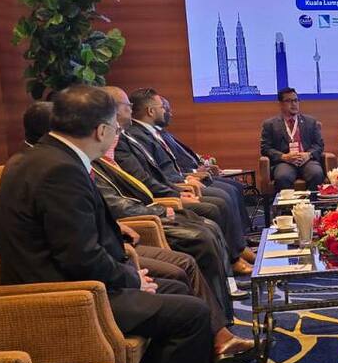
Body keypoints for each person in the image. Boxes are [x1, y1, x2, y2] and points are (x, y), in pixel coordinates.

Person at [0, 85, 219, 363]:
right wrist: (131, 279)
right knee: (191, 313)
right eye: (116, 127)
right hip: (64, 296)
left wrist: (126, 266)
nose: (117, 134)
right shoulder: (60, 171)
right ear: (101, 130)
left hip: (63, 281)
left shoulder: (40, 157)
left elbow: (74, 236)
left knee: (175, 287)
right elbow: (80, 257)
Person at [108, 87, 252, 275]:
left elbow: (154, 173)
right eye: (127, 105)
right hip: (154, 204)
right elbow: (143, 180)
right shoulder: (127, 138)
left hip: (164, 195)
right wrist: (178, 191)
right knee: (216, 206)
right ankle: (233, 258)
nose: (131, 109)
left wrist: (184, 182)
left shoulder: (129, 136)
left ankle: (237, 248)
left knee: (227, 194)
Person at [129, 87, 250, 240]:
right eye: (162, 107)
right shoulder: (137, 135)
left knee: (230, 190)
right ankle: (236, 249)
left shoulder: (152, 132)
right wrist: (184, 184)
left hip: (180, 182)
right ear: (151, 111)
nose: (165, 111)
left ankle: (240, 241)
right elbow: (156, 174)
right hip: (173, 188)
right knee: (222, 198)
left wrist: (187, 177)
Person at [157, 95, 251, 233]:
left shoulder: (164, 134)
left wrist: (201, 165)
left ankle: (243, 234)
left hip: (193, 175)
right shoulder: (153, 137)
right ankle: (238, 241)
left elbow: (183, 158)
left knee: (235, 186)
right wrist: (193, 174)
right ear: (151, 111)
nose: (170, 114)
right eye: (166, 109)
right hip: (186, 181)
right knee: (226, 193)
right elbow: (171, 168)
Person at [260, 87, 326, 193]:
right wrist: (283, 156)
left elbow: (319, 145)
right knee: (282, 176)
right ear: (280, 104)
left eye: (296, 100)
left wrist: (308, 155)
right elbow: (265, 148)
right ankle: (288, 204)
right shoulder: (270, 125)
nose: (294, 104)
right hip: (284, 162)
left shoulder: (310, 122)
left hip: (306, 161)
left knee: (316, 173)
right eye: (289, 101)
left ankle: (312, 203)